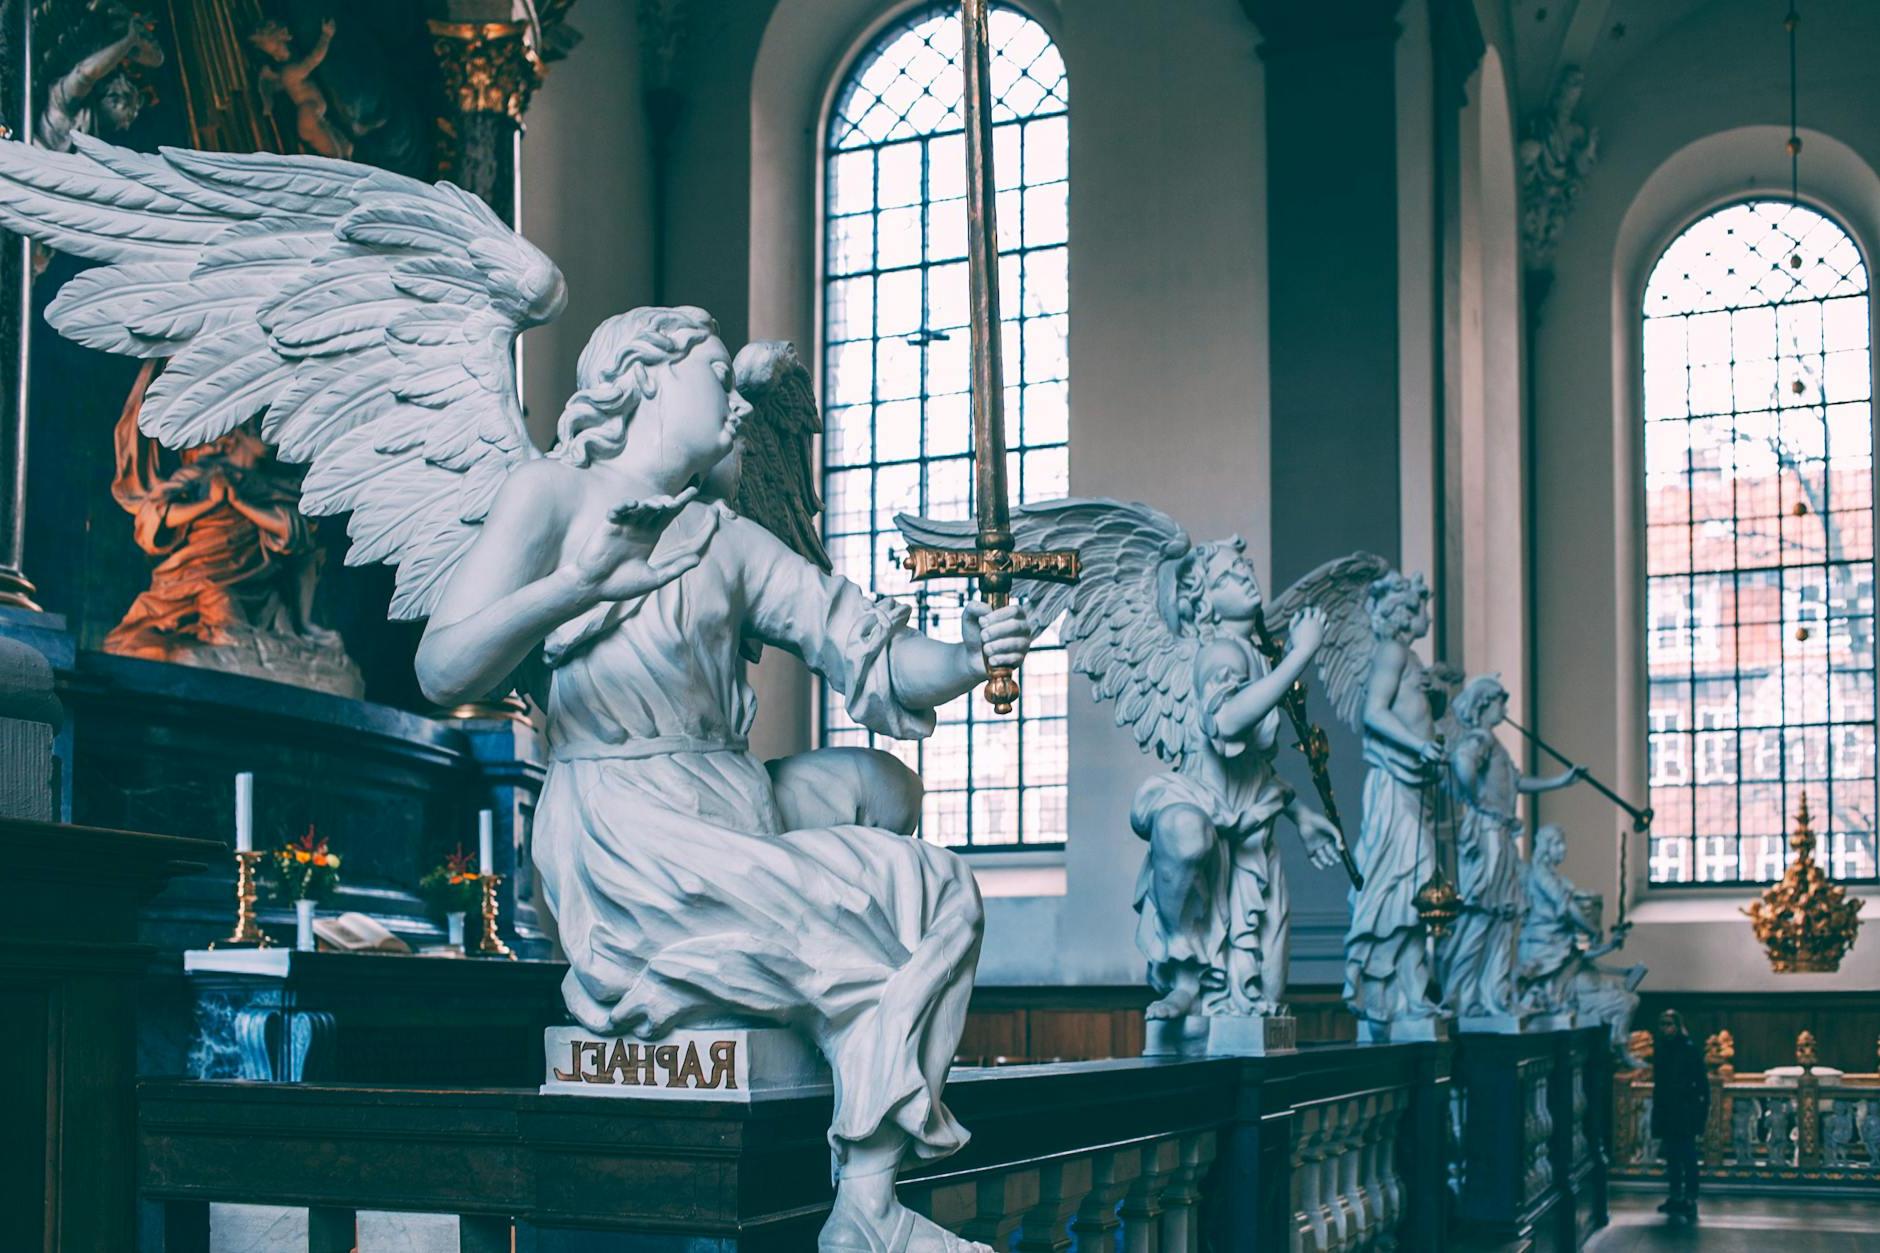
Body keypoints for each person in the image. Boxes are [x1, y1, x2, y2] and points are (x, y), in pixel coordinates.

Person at [1651, 1008, 1710, 1221]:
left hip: (1685, 1111)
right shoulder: (1662, 1049)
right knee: (1672, 1157)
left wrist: (1699, 1114)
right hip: (1668, 1110)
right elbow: (1660, 1085)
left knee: (1687, 1156)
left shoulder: (1688, 1049)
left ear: (1678, 1025)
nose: (1666, 1028)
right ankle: (1675, 1196)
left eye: (1669, 1024)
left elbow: (1701, 1085)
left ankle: (1690, 1198)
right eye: (1663, 1024)